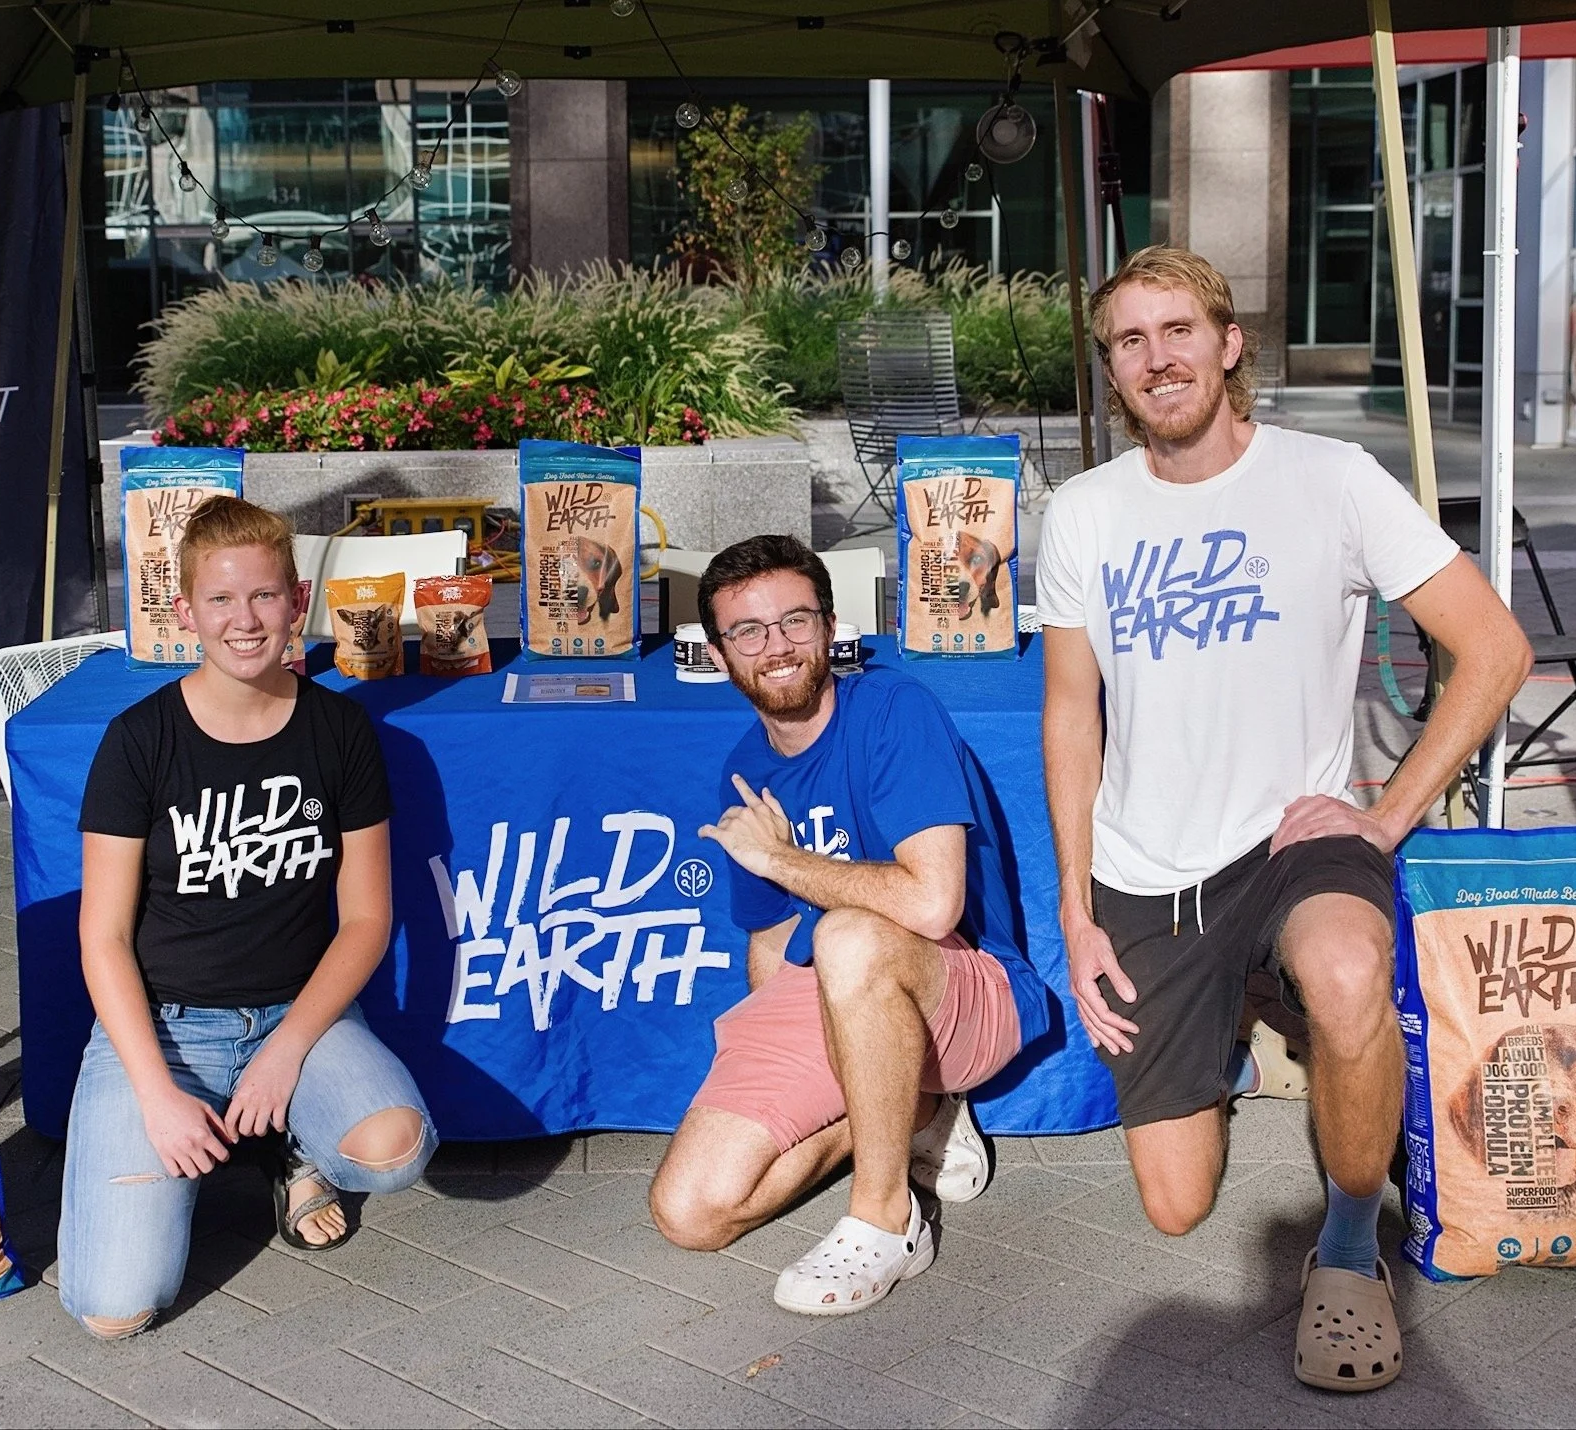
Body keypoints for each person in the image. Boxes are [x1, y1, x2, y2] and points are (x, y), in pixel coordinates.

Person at [1037, 246, 1531, 1392]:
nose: (1155, 358)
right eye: (1127, 340)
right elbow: (1071, 717)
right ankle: (1245, 1019)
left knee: (1350, 971)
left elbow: (1493, 648)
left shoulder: (1331, 478)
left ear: (1225, 343)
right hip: (1147, 869)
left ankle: (1351, 1250)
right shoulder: (1084, 513)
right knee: (1174, 1207)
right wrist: (1074, 908)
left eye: (1175, 332)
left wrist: (1385, 814)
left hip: (1293, 845)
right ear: (1111, 369)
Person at [59, 495, 436, 1339]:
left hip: (300, 1016)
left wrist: (285, 1050)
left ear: (297, 602)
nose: (245, 619)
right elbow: (103, 938)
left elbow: (367, 921)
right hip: (166, 1028)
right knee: (113, 1313)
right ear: (186, 610)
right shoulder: (138, 740)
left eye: (265, 595)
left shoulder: (339, 731)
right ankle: (188, 1156)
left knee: (395, 1149)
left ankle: (292, 1149)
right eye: (221, 599)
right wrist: (157, 1095)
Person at [649, 535, 1046, 1315]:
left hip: (969, 987)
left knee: (847, 935)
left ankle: (886, 1218)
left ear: (830, 626)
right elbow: (768, 950)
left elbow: (933, 905)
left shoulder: (895, 710)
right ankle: (919, 1114)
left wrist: (785, 862)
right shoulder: (744, 768)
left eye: (795, 621)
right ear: (721, 654)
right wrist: (792, 1064)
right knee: (691, 1210)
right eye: (749, 632)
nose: (777, 647)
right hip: (847, 996)